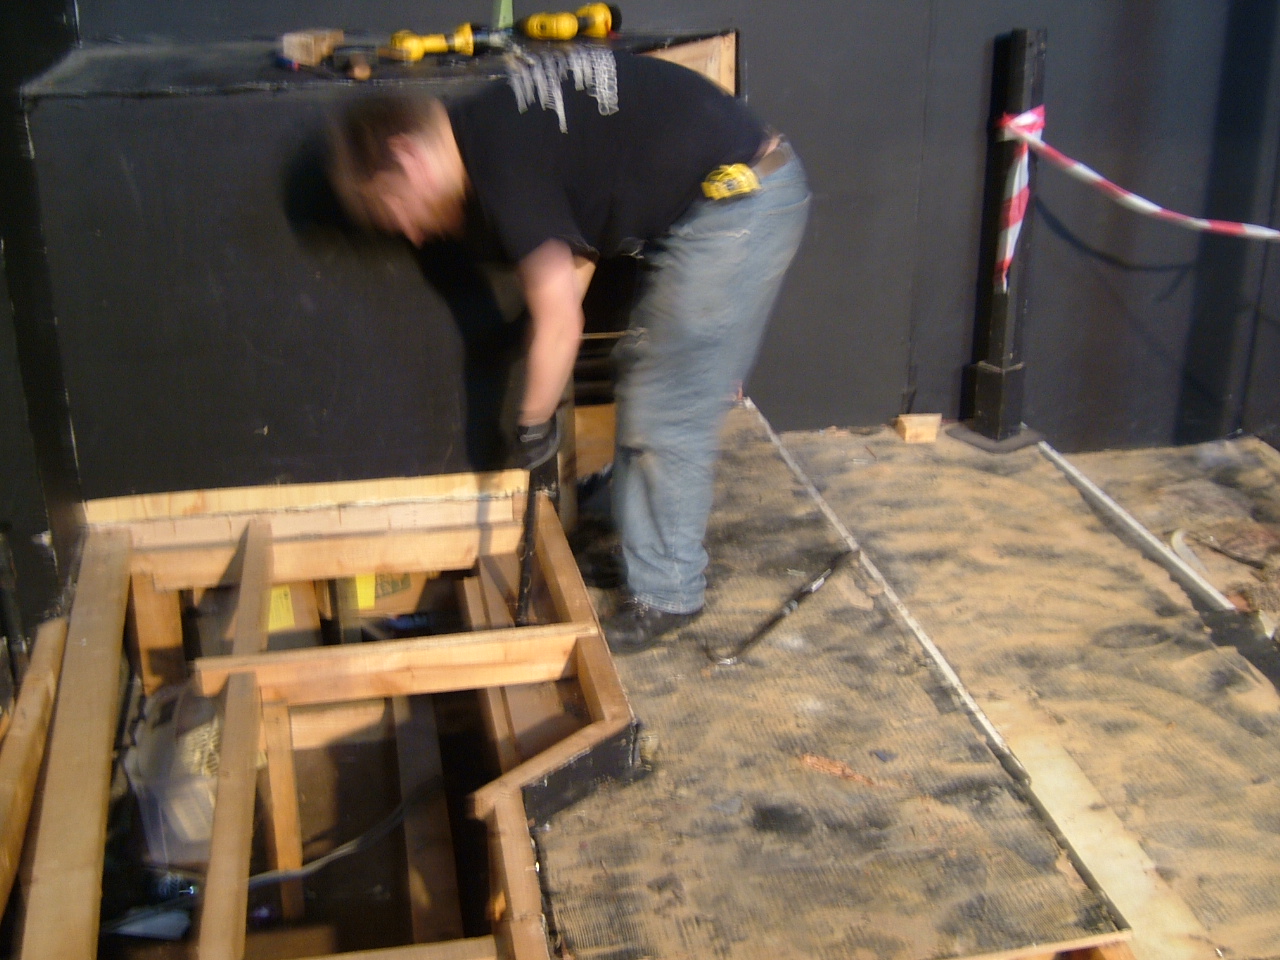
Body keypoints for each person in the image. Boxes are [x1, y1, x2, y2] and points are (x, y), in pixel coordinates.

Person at [329, 44, 809, 654]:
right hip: (723, 195)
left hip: (742, 200)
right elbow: (575, 254)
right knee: (648, 378)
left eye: (396, 208)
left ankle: (669, 593)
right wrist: (544, 358)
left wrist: (532, 424)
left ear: (409, 156)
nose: (411, 231)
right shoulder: (490, 129)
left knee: (666, 404)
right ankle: (644, 545)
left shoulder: (498, 163)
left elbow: (561, 316)